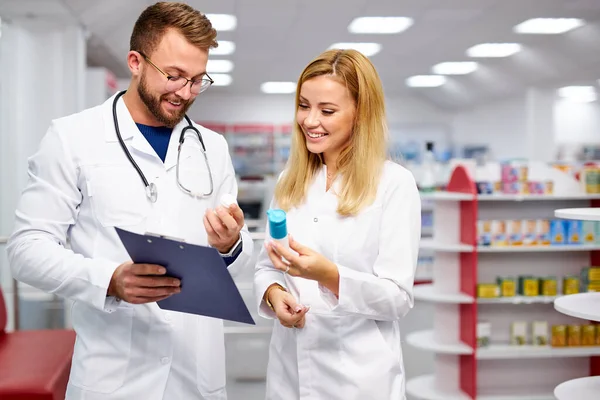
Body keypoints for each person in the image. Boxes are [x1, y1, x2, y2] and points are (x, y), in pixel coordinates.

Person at [7, 2, 252, 399]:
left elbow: (238, 265)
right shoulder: (72, 138)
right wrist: (109, 280)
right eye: (173, 76)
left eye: (197, 80)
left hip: (196, 375)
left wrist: (231, 246)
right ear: (136, 61)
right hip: (113, 376)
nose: (186, 92)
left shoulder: (213, 148)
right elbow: (26, 250)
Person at [254, 49, 421, 400]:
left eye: (327, 110)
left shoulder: (393, 183)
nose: (310, 121)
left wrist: (329, 275)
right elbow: (266, 267)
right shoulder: (289, 180)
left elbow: (398, 299)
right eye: (304, 106)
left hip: (359, 378)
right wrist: (274, 294)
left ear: (360, 114)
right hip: (290, 374)